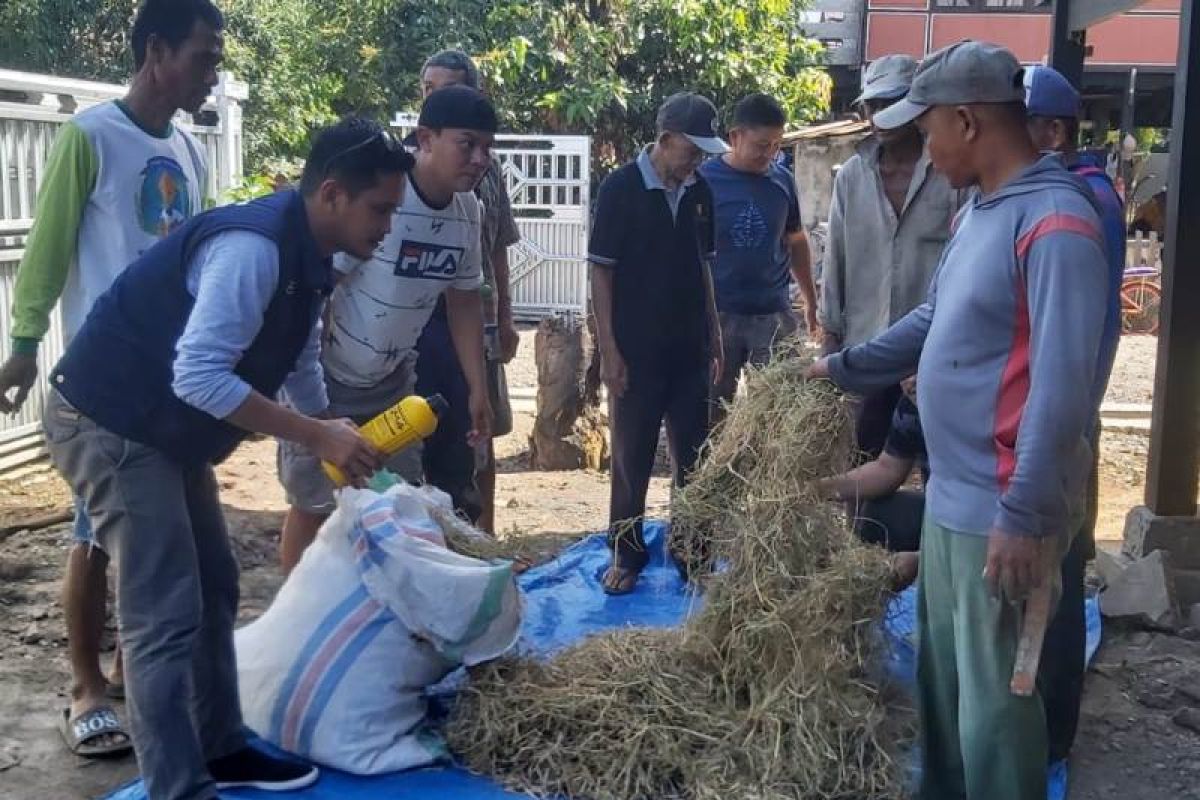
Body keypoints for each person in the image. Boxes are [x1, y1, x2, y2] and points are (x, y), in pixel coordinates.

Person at [43, 116, 412, 800]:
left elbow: (296, 353)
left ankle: (221, 746)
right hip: (109, 420)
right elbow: (199, 377)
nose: (388, 224)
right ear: (332, 193)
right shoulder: (255, 249)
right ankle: (178, 787)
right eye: (380, 208)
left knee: (216, 583)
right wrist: (314, 434)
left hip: (165, 430)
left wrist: (328, 425)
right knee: (164, 612)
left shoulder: (312, 258)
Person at [809, 41, 1108, 800]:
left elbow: (1062, 389)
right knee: (945, 694)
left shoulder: (1056, 224)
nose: (922, 143)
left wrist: (1026, 511)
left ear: (968, 121)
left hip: (1000, 515)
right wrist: (839, 368)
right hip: (952, 506)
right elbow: (931, 321)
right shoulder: (982, 211)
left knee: (998, 706)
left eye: (928, 126)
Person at [0, 0, 223, 759]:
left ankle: (131, 666)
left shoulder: (191, 152)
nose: (211, 74)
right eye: (203, 56)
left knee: (148, 537)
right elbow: (50, 244)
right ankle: (86, 688)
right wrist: (25, 342)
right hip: (105, 384)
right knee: (94, 535)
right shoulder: (89, 137)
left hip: (174, 380)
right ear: (156, 51)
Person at [277, 86, 494, 573]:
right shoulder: (378, 203)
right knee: (315, 506)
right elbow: (318, 291)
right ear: (426, 138)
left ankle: (386, 622)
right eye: (467, 143)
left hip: (396, 386)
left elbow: (463, 301)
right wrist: (310, 404)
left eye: (487, 146)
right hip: (328, 382)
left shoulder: (469, 212)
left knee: (399, 505)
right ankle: (296, 620)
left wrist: (477, 388)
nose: (480, 158)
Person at [1024, 63, 1126, 765]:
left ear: (1052, 131)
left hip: (1061, 427)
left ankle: (1053, 728)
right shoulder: (1081, 195)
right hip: (1061, 419)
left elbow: (1067, 340)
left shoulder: (1079, 206)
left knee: (1053, 576)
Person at [590, 92, 725, 595]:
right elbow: (601, 273)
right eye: (691, 150)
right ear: (665, 141)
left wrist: (713, 332)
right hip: (635, 351)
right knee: (632, 458)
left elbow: (704, 266)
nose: (696, 161)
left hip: (688, 347)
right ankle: (626, 554)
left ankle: (693, 554)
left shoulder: (700, 193)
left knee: (694, 457)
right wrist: (609, 350)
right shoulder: (620, 189)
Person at [818, 54, 959, 458]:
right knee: (862, 459)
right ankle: (859, 525)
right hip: (866, 346)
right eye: (872, 106)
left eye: (889, 105)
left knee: (934, 463)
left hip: (932, 351)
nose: (879, 116)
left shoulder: (950, 173)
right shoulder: (851, 176)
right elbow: (836, 259)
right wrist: (830, 335)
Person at [415, 50, 521, 534]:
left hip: (472, 328)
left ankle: (482, 540)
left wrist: (503, 316)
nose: (434, 98)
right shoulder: (391, 178)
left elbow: (494, 251)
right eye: (429, 90)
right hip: (409, 335)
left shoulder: (483, 179)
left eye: (448, 88)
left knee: (475, 444)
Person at [699, 93, 815, 414]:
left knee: (780, 412)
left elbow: (796, 240)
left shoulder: (783, 181)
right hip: (720, 316)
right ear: (735, 137)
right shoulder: (704, 182)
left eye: (777, 145)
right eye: (762, 145)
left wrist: (810, 301)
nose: (770, 154)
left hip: (773, 315)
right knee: (712, 410)